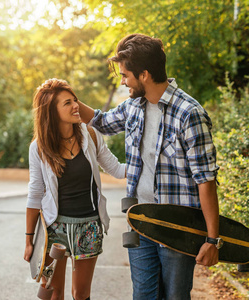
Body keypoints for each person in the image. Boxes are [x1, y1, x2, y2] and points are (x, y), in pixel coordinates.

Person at [77, 34, 221, 299]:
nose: (122, 82)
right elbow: (102, 122)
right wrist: (69, 100)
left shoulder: (190, 113)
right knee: (143, 295)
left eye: (125, 75)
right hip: (140, 220)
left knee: (175, 296)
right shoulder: (133, 107)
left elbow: (206, 180)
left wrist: (213, 240)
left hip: (178, 226)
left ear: (144, 75)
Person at [23, 78, 126, 300]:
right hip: (54, 228)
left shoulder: (90, 135)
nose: (76, 106)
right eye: (67, 103)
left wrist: (149, 166)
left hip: (89, 225)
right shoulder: (39, 147)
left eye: (75, 100)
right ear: (51, 111)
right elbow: (35, 194)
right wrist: (29, 240)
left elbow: (117, 169)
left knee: (81, 294)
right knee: (53, 293)